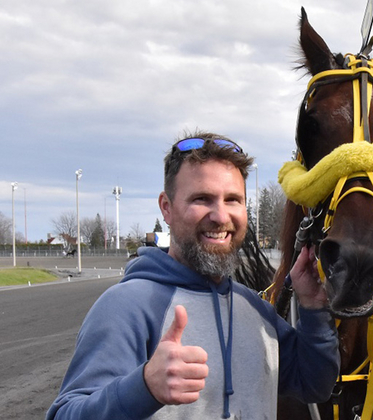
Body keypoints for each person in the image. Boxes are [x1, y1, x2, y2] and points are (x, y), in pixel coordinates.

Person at [47, 133, 340, 420]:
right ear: (166, 207)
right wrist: (144, 387)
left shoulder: (254, 309)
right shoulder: (126, 306)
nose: (221, 216)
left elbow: (314, 384)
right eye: (202, 198)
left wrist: (314, 309)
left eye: (233, 200)